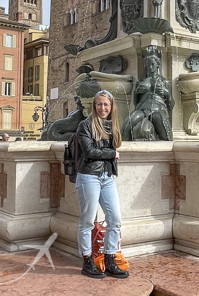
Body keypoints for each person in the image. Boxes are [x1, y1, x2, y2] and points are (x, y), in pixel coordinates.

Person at [74, 90, 128, 279]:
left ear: (111, 106)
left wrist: (109, 154)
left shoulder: (112, 125)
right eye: (99, 104)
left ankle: (110, 258)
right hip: (89, 176)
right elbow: (89, 152)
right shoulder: (85, 125)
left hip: (107, 177)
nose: (102, 108)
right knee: (88, 221)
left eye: (106, 104)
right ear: (94, 105)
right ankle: (87, 260)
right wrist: (111, 153)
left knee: (115, 219)